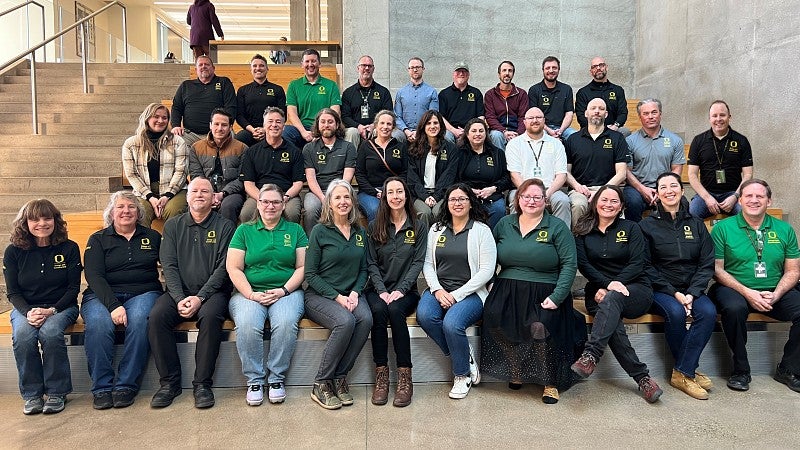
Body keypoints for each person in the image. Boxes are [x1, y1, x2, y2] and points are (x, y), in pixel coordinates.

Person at [482, 178, 584, 404]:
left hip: (546, 289)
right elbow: (488, 257)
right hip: (507, 286)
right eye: (526, 196)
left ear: (545, 201)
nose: (531, 201)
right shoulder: (504, 224)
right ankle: (516, 365)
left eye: (536, 197)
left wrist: (558, 296)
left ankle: (550, 380)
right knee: (492, 316)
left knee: (540, 327)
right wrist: (490, 281)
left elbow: (569, 264)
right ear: (518, 199)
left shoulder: (556, 227)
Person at [570, 185, 663, 403]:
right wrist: (606, 284)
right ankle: (643, 378)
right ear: (595, 203)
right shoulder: (583, 230)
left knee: (612, 300)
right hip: (598, 290)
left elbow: (638, 262)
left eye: (614, 201)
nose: (608, 205)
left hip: (635, 289)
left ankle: (591, 354)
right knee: (613, 325)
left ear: (621, 206)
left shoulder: (631, 228)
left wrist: (615, 284)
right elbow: (583, 265)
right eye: (604, 200)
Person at [148, 178, 234, 409]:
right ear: (186, 197)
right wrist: (178, 298)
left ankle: (202, 384)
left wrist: (200, 297)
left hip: (212, 293)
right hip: (179, 292)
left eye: (205, 191)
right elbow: (169, 265)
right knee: (156, 317)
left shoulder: (225, 226)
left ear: (214, 198)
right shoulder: (173, 226)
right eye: (194, 190)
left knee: (211, 317)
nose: (199, 194)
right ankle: (169, 383)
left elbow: (224, 268)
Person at [710, 179, 800, 393]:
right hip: (733, 288)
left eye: (760, 196)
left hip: (774, 290)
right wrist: (747, 292)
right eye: (748, 196)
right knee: (734, 308)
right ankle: (740, 370)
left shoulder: (784, 230)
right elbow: (717, 270)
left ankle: (788, 368)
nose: (754, 200)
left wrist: (777, 294)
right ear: (739, 200)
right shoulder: (723, 228)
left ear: (769, 201)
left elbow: (793, 271)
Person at [80, 191, 162, 410]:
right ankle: (102, 388)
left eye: (131, 207)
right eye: (121, 207)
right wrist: (113, 305)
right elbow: (94, 276)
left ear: (139, 212)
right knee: (98, 324)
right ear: (111, 212)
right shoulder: (98, 239)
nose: (126, 211)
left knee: (140, 321)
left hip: (144, 293)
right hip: (102, 295)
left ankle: (126, 385)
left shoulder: (152, 237)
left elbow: (168, 266)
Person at [227, 184, 307, 406]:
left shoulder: (296, 231)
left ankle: (276, 379)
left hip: (286, 291)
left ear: (283, 205)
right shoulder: (244, 230)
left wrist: (283, 290)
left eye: (275, 202)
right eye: (265, 202)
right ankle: (254, 379)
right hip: (248, 293)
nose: (270, 206)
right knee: (247, 323)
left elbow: (302, 268)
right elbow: (234, 268)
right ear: (258, 204)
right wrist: (251, 295)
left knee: (286, 321)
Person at [417, 183, 497, 399]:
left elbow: (487, 271)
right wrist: (437, 289)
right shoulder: (436, 230)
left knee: (452, 324)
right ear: (447, 203)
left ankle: (462, 374)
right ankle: (462, 355)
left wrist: (456, 295)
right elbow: (427, 264)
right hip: (440, 289)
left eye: (462, 199)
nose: (457, 203)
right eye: (453, 199)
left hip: (471, 293)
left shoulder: (481, 230)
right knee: (425, 315)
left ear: (471, 203)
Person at [640, 172, 716, 399]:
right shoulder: (647, 226)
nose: (669, 190)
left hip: (692, 289)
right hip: (661, 290)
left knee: (709, 312)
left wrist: (692, 293)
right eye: (663, 187)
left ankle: (683, 370)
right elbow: (646, 266)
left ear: (682, 191)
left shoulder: (696, 224)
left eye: (674, 185)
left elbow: (707, 262)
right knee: (675, 312)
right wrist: (675, 293)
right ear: (657, 193)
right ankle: (687, 370)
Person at [4, 200, 81, 415]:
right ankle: (32, 395)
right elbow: (13, 293)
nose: (42, 223)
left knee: (50, 332)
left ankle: (57, 392)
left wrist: (51, 311)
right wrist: (29, 312)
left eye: (47, 218)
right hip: (26, 308)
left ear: (55, 221)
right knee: (23, 335)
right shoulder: (13, 252)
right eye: (35, 219)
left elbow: (73, 289)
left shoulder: (69, 248)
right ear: (25, 223)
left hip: (62, 308)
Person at [304, 180, 372, 410]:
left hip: (351, 293)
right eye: (337, 198)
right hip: (320, 296)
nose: (343, 202)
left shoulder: (360, 232)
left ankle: (340, 377)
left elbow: (364, 269)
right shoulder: (319, 231)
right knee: (345, 321)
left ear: (353, 201)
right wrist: (338, 297)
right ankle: (321, 382)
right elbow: (311, 275)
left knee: (366, 319)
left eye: (347, 197)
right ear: (329, 204)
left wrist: (354, 292)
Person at [366, 177, 427, 407]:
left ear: (406, 195)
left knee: (395, 310)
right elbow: (371, 263)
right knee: (380, 311)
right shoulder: (374, 226)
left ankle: (404, 377)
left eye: (399, 191)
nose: (395, 196)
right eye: (390, 192)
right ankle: (381, 376)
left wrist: (401, 290)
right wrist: (381, 290)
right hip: (378, 290)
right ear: (384, 197)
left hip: (406, 291)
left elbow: (418, 262)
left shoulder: (418, 226)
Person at [123, 102, 189, 227]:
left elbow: (181, 171)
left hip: (174, 189)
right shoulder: (131, 144)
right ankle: (144, 245)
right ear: (147, 118)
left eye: (165, 118)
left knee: (173, 210)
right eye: (156, 116)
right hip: (144, 190)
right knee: (140, 211)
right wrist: (150, 197)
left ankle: (171, 245)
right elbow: (131, 175)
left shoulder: (177, 141)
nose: (160, 120)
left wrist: (167, 196)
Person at [565, 98, 628, 227]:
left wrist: (602, 191)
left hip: (608, 187)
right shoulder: (573, 139)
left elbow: (622, 173)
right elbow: (565, 172)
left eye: (601, 109)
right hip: (580, 190)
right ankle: (578, 241)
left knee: (613, 203)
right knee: (578, 204)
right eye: (593, 108)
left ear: (606, 114)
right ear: (586, 113)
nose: (597, 111)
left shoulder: (617, 138)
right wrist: (577, 187)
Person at [687, 100, 753, 219]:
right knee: (692, 212)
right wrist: (707, 198)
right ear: (709, 119)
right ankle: (703, 238)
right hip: (706, 194)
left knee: (746, 213)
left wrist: (735, 196)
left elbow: (748, 175)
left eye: (722, 115)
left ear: (729, 117)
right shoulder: (698, 141)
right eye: (714, 116)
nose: (718, 119)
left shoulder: (742, 141)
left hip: (734, 193)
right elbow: (692, 175)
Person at [506, 107, 571, 227]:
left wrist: (546, 195)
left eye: (538, 117)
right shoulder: (514, 144)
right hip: (523, 189)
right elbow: (514, 175)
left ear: (544, 121)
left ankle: (561, 239)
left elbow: (561, 175)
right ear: (524, 122)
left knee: (563, 201)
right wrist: (529, 194)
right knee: (515, 199)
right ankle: (516, 239)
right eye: (531, 118)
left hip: (550, 189)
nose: (535, 120)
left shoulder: (556, 144)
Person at [239, 107, 304, 223]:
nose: (274, 125)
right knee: (246, 214)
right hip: (259, 194)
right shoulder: (252, 152)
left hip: (286, 195)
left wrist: (285, 198)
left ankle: (288, 240)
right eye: (270, 121)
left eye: (278, 122)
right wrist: (263, 199)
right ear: (264, 126)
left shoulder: (295, 151)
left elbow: (298, 183)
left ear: (284, 126)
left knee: (292, 213)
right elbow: (249, 184)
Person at [623, 99, 685, 222]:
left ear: (660, 114)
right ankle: (635, 237)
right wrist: (642, 189)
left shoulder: (675, 140)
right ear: (640, 117)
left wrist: (664, 189)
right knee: (632, 202)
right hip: (637, 188)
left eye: (654, 112)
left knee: (684, 203)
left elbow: (676, 169)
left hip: (665, 187)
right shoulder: (630, 141)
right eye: (646, 113)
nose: (650, 117)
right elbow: (627, 171)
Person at [302, 108, 357, 237]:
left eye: (330, 122)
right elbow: (311, 179)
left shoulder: (348, 147)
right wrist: (324, 198)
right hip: (317, 191)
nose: (326, 125)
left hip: (340, 189)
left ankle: (345, 239)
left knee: (347, 204)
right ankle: (312, 243)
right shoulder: (309, 148)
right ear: (318, 125)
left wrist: (336, 195)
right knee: (311, 209)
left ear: (337, 125)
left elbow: (347, 178)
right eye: (323, 122)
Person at [188, 108, 248, 223]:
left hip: (231, 193)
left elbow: (242, 178)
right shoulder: (196, 148)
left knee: (228, 206)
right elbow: (196, 176)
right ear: (210, 125)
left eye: (224, 125)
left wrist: (222, 194)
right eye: (216, 124)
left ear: (231, 127)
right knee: (193, 204)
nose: (220, 128)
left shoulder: (242, 148)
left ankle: (227, 239)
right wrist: (208, 194)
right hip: (204, 191)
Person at [453, 118, 511, 228]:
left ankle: (493, 241)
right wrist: (468, 190)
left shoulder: (497, 153)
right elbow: (453, 178)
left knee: (499, 209)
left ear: (486, 133)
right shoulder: (458, 153)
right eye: (473, 131)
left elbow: (506, 178)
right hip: (466, 194)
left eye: (481, 131)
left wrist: (493, 188)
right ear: (467, 134)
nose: (477, 134)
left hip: (492, 194)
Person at [406, 110, 459, 224]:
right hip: (419, 195)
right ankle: (423, 241)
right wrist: (425, 197)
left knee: (438, 212)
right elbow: (412, 178)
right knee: (424, 213)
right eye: (428, 123)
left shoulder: (451, 149)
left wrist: (436, 196)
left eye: (436, 123)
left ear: (441, 125)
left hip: (442, 194)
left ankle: (440, 241)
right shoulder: (414, 149)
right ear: (423, 126)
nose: (432, 126)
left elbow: (448, 176)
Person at [171, 55, 236, 147]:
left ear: (213, 68)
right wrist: (176, 126)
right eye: (200, 65)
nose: (203, 66)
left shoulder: (224, 82)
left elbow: (231, 107)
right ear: (196, 69)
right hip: (191, 134)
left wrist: (225, 127)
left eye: (207, 64)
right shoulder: (186, 85)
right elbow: (176, 107)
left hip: (218, 132)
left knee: (232, 138)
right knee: (175, 139)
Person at [283, 48, 342, 149]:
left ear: (319, 64)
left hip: (323, 127)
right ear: (302, 64)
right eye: (307, 61)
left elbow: (335, 113)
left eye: (314, 61)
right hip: (302, 128)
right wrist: (303, 132)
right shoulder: (293, 85)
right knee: (286, 132)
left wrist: (320, 132)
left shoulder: (331, 85)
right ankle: (296, 162)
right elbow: (291, 114)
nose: (310, 64)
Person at [355, 110, 408, 223]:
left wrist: (392, 191)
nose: (385, 127)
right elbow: (359, 174)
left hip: (393, 191)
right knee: (376, 210)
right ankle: (376, 239)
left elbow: (405, 173)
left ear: (393, 127)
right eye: (382, 123)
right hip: (369, 192)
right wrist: (375, 192)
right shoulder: (366, 146)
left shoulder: (400, 147)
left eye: (389, 124)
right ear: (376, 125)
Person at [341, 55, 394, 149]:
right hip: (355, 128)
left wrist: (374, 126)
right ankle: (350, 162)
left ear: (373, 69)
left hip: (376, 127)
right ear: (358, 68)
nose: (366, 68)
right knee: (351, 132)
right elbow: (345, 116)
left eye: (370, 66)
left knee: (380, 131)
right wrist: (358, 126)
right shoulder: (348, 93)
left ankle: (379, 161)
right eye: (363, 65)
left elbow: (388, 114)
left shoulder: (383, 92)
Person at [235, 54, 287, 146]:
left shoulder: (277, 89)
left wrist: (266, 129)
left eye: (261, 65)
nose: (258, 68)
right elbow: (239, 116)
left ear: (267, 69)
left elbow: (283, 114)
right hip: (250, 131)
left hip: (271, 129)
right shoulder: (243, 90)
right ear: (251, 70)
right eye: (255, 66)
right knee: (237, 141)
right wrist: (253, 130)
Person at [574, 57, 629, 136]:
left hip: (613, 129)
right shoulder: (583, 92)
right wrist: (599, 128)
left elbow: (623, 113)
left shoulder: (618, 90)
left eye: (601, 65)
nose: (598, 68)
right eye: (594, 67)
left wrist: (615, 126)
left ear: (606, 67)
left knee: (626, 132)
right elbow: (581, 116)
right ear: (591, 72)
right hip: (590, 130)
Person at [528, 56, 576, 140]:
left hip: (563, 128)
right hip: (542, 128)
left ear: (558, 70)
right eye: (547, 68)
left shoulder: (566, 89)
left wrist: (560, 130)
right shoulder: (534, 90)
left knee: (575, 136)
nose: (551, 71)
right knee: (541, 137)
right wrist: (549, 130)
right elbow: (534, 116)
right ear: (543, 70)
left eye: (554, 68)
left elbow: (569, 113)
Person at [484, 60, 528, 149]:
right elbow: (490, 117)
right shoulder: (490, 94)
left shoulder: (521, 94)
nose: (507, 73)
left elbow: (523, 117)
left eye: (510, 71)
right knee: (496, 135)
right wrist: (503, 131)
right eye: (504, 70)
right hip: (498, 130)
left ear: (513, 74)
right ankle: (501, 162)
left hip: (517, 130)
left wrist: (518, 133)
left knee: (524, 137)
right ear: (499, 74)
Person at [394, 57, 439, 142]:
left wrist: (418, 131)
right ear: (408, 70)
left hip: (425, 130)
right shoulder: (401, 92)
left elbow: (433, 116)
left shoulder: (431, 91)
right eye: (412, 67)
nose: (415, 70)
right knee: (395, 137)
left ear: (423, 69)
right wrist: (407, 131)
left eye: (418, 67)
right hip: (404, 131)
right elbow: (397, 116)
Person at [438, 62, 485, 143]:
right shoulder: (444, 94)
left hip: (471, 131)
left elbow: (481, 116)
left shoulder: (476, 93)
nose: (461, 73)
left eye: (464, 71)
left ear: (468, 74)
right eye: (458, 71)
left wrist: (470, 130)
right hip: (451, 131)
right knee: (446, 136)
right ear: (453, 74)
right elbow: (441, 117)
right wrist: (454, 131)